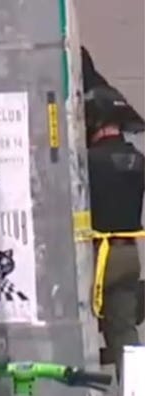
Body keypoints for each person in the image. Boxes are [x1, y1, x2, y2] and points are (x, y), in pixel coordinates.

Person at [85, 85, 145, 378]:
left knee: (81, 325)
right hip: (129, 254)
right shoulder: (138, 160)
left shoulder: (87, 162)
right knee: (124, 332)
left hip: (96, 257)